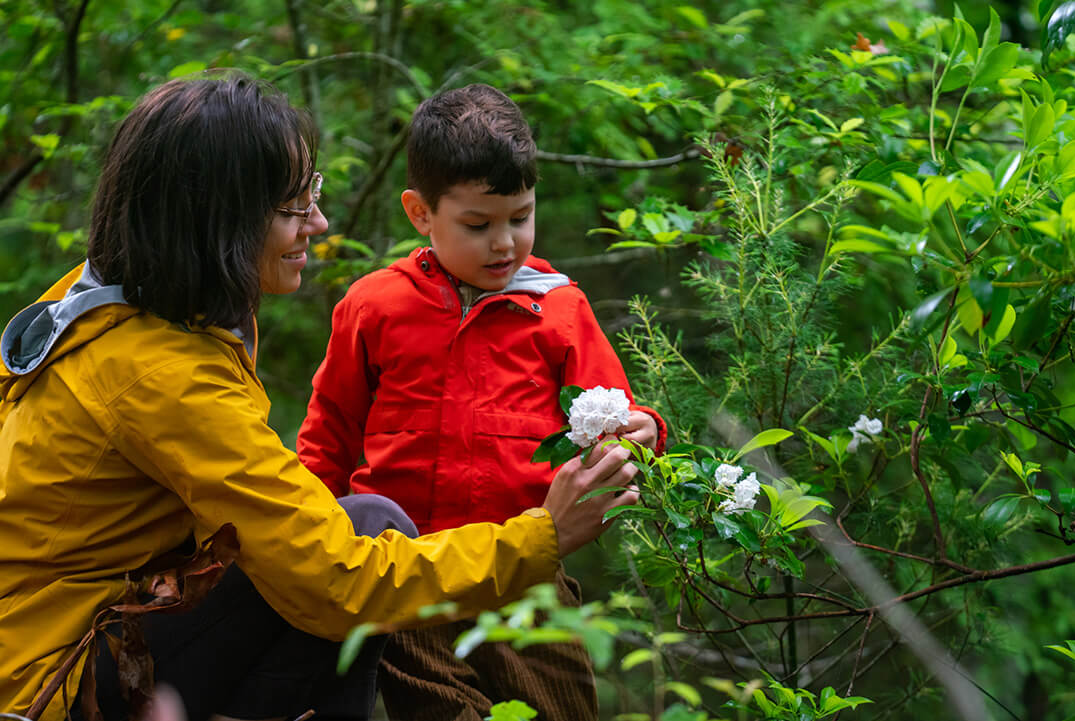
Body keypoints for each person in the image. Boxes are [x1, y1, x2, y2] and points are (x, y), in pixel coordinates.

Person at [0, 73, 639, 721]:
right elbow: (337, 577)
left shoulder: (118, 303)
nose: (320, 222)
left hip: (74, 637)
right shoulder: (160, 369)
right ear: (217, 217)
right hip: (53, 680)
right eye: (292, 207)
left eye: (315, 195)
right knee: (365, 529)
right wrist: (542, 537)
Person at [296, 84, 666, 721]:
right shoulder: (375, 306)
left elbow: (614, 414)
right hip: (407, 574)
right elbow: (328, 438)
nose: (505, 243)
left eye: (520, 218)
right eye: (478, 224)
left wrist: (644, 433)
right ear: (421, 213)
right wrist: (307, 545)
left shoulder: (558, 307)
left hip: (528, 581)